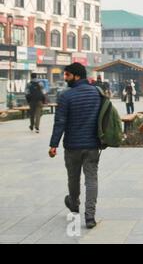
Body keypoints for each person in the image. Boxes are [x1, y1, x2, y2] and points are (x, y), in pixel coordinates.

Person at [48, 63, 102, 229]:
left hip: (72, 145)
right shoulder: (97, 93)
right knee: (91, 180)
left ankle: (74, 204)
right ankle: (90, 217)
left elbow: (60, 123)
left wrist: (53, 144)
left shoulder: (66, 96)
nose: (65, 78)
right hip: (92, 145)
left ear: (76, 76)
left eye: (67, 75)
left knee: (73, 178)